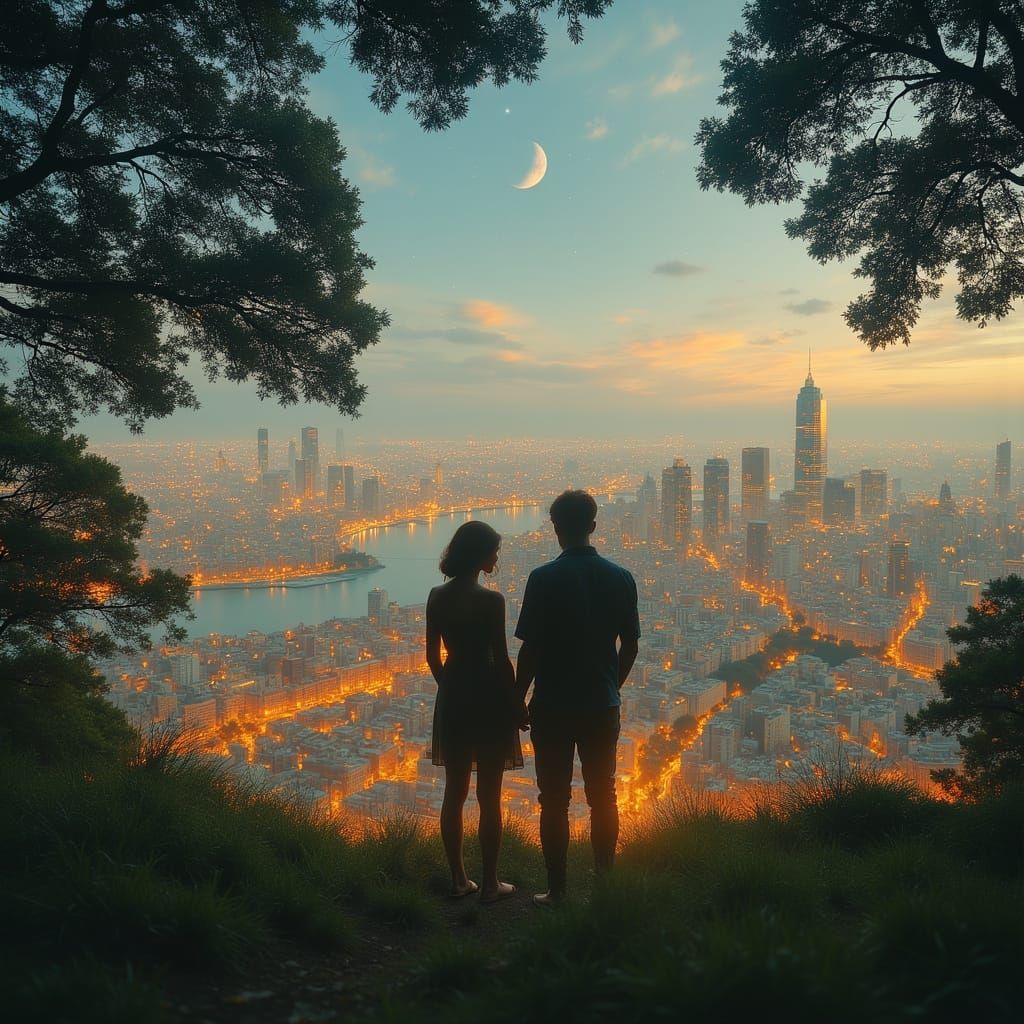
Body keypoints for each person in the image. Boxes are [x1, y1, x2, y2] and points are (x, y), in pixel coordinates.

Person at [514, 490, 640, 905]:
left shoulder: (543, 578)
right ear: (593, 526)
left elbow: (529, 649)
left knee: (553, 800)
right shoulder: (622, 577)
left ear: (555, 528)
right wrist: (612, 686)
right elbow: (631, 646)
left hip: (552, 704)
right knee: (603, 795)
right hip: (601, 705)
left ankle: (558, 890)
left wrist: (518, 697)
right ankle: (605, 884)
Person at [426, 520, 525, 903]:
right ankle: (489, 883)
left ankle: (457, 879)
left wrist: (450, 688)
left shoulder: (436, 596)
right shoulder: (492, 601)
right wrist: (516, 704)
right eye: (494, 551)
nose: (497, 557)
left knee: (454, 793)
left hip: (453, 696)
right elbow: (501, 660)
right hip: (489, 699)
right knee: (490, 795)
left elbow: (433, 656)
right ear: (480, 555)